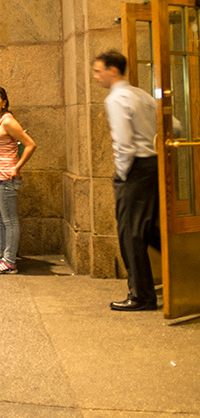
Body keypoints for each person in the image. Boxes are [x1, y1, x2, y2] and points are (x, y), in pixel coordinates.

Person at [93, 51, 161, 310]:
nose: (97, 76)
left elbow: (123, 143)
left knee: (130, 233)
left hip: (134, 169)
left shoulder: (117, 98)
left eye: (99, 71)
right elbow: (174, 126)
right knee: (149, 228)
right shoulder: (142, 95)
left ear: (113, 70)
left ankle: (141, 295)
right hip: (153, 164)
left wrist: (122, 174)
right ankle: (185, 271)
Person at [0, 86, 36, 275]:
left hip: (6, 176)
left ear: (4, 101)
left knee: (9, 220)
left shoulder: (8, 121)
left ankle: (9, 261)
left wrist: (17, 167)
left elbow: (30, 144)